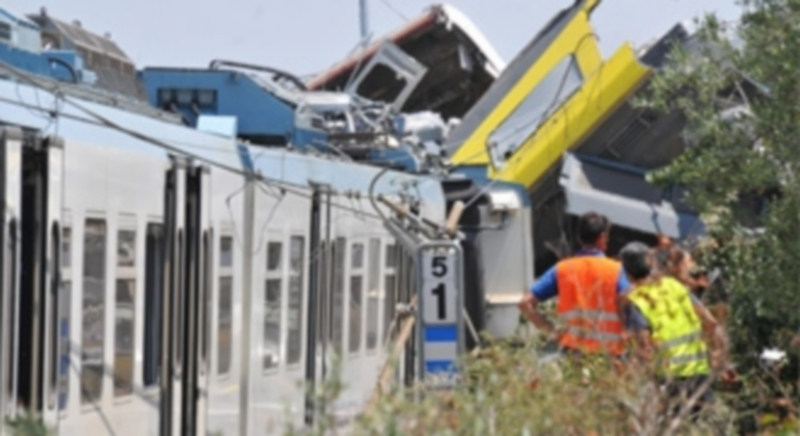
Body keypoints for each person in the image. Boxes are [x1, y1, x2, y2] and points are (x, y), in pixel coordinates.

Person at [619, 241, 728, 417]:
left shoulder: (635, 301)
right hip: (699, 374)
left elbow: (644, 349)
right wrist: (719, 358)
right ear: (651, 263)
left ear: (628, 274)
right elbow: (710, 322)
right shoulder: (674, 285)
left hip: (669, 382)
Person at [518, 212, 630, 358]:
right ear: (603, 238)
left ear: (579, 237)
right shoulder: (616, 270)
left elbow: (525, 303)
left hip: (573, 355)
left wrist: (554, 333)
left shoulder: (562, 269)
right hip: (609, 356)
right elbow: (632, 305)